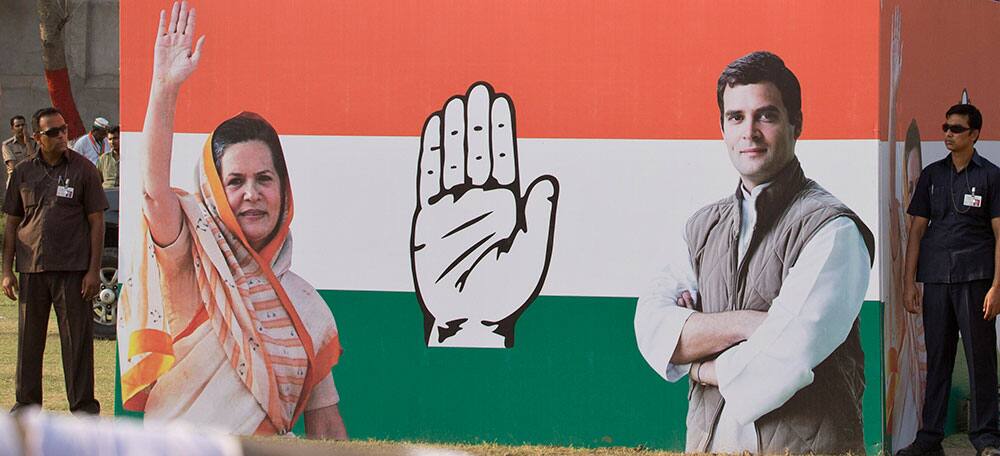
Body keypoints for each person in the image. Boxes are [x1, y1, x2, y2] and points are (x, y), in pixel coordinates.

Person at [117, 1, 346, 439]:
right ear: (215, 192)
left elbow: (326, 422)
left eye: (264, 178)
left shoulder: (307, 307)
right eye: (235, 182)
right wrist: (164, 88)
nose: (251, 194)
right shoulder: (193, 264)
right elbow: (153, 192)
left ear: (284, 188)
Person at [633, 51, 874, 453]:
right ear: (723, 128)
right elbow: (654, 330)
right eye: (736, 117)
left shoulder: (832, 229)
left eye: (766, 116)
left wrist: (699, 365)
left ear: (796, 123)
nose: (749, 133)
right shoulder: (700, 229)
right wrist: (748, 323)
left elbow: (785, 357)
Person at [897, 103, 1000, 456]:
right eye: (945, 127)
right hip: (937, 280)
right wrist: (908, 282)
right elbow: (916, 231)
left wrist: (997, 288)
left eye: (956, 129)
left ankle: (986, 438)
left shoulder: (991, 176)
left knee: (981, 360)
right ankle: (929, 438)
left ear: (973, 134)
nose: (948, 134)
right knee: (938, 359)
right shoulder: (931, 175)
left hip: (976, 280)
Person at [1, 107, 107, 415]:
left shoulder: (84, 169)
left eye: (64, 129)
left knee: (77, 344)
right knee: (28, 343)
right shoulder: (23, 172)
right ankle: (26, 408)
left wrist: (93, 271)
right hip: (32, 268)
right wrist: (6, 271)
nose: (62, 135)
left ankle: (84, 410)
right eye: (53, 132)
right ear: (37, 137)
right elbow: (12, 223)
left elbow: (97, 222)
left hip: (73, 271)